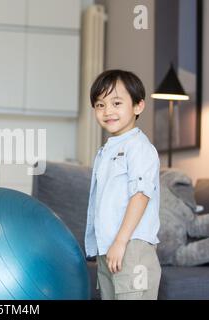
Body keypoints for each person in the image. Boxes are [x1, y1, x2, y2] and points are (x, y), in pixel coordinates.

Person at [84, 70, 161, 300]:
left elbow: (140, 194)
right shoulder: (106, 150)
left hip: (131, 246)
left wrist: (120, 241)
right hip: (108, 249)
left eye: (116, 103)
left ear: (138, 106)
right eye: (100, 105)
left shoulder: (139, 147)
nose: (108, 111)